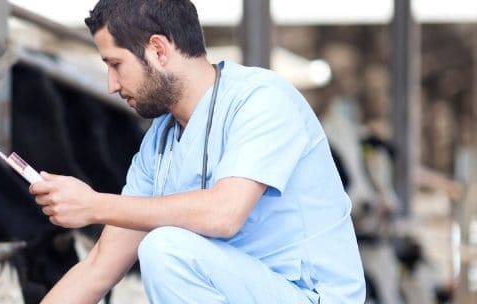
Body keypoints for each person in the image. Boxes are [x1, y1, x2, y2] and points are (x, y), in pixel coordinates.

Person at [28, 0, 366, 303]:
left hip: (311, 297)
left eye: (115, 64)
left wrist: (93, 205)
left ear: (158, 50)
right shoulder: (159, 143)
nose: (111, 85)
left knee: (165, 249)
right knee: (164, 249)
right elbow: (98, 268)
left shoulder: (262, 99)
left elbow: (223, 214)